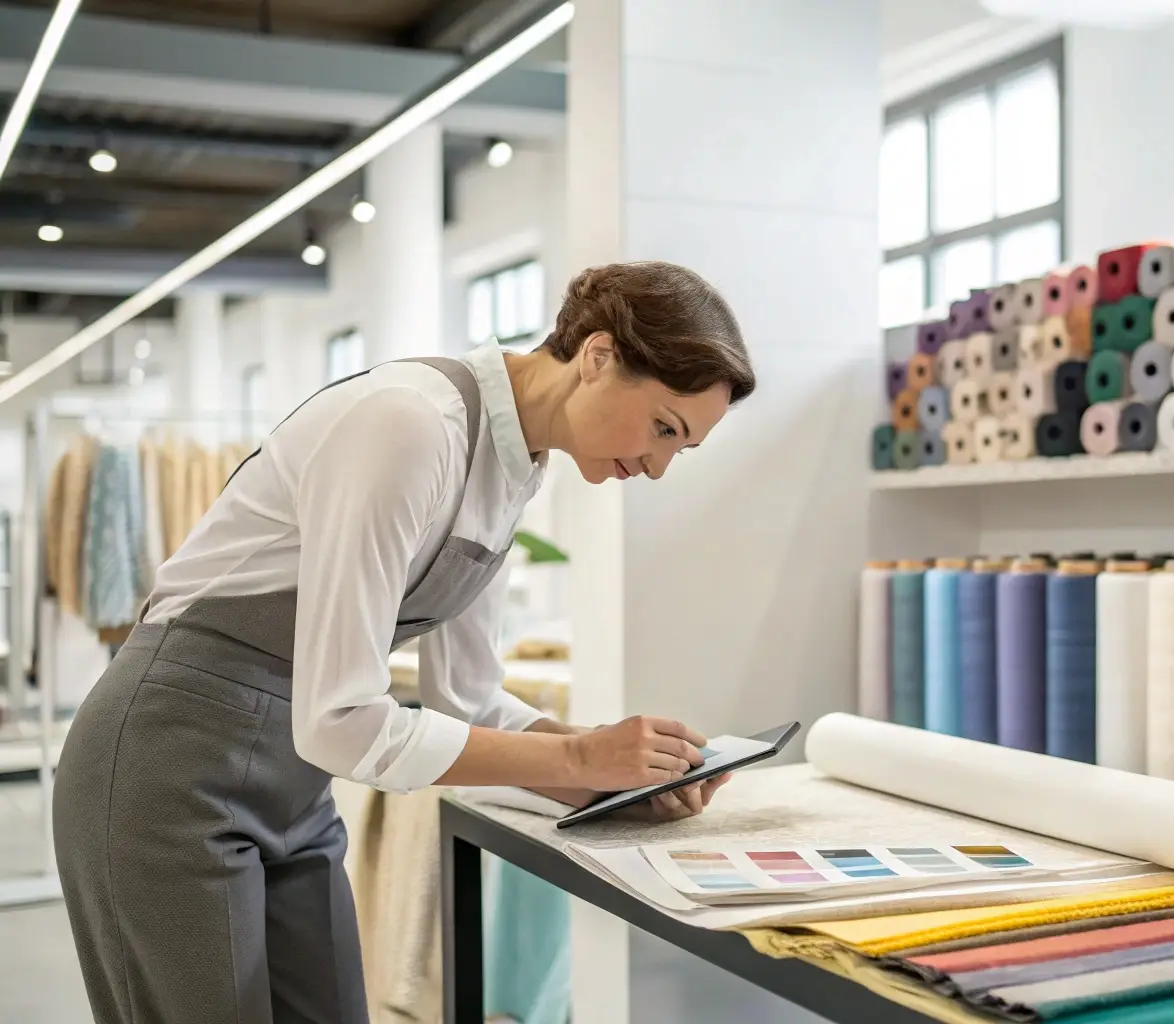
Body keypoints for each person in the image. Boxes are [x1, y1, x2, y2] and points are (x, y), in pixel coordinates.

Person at [52, 261, 756, 1024]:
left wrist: (619, 776)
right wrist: (578, 760)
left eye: (678, 449)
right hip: (167, 764)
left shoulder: (515, 470)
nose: (656, 466)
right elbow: (342, 719)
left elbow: (471, 701)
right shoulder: (411, 424)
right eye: (663, 427)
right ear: (597, 356)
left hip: (292, 790)